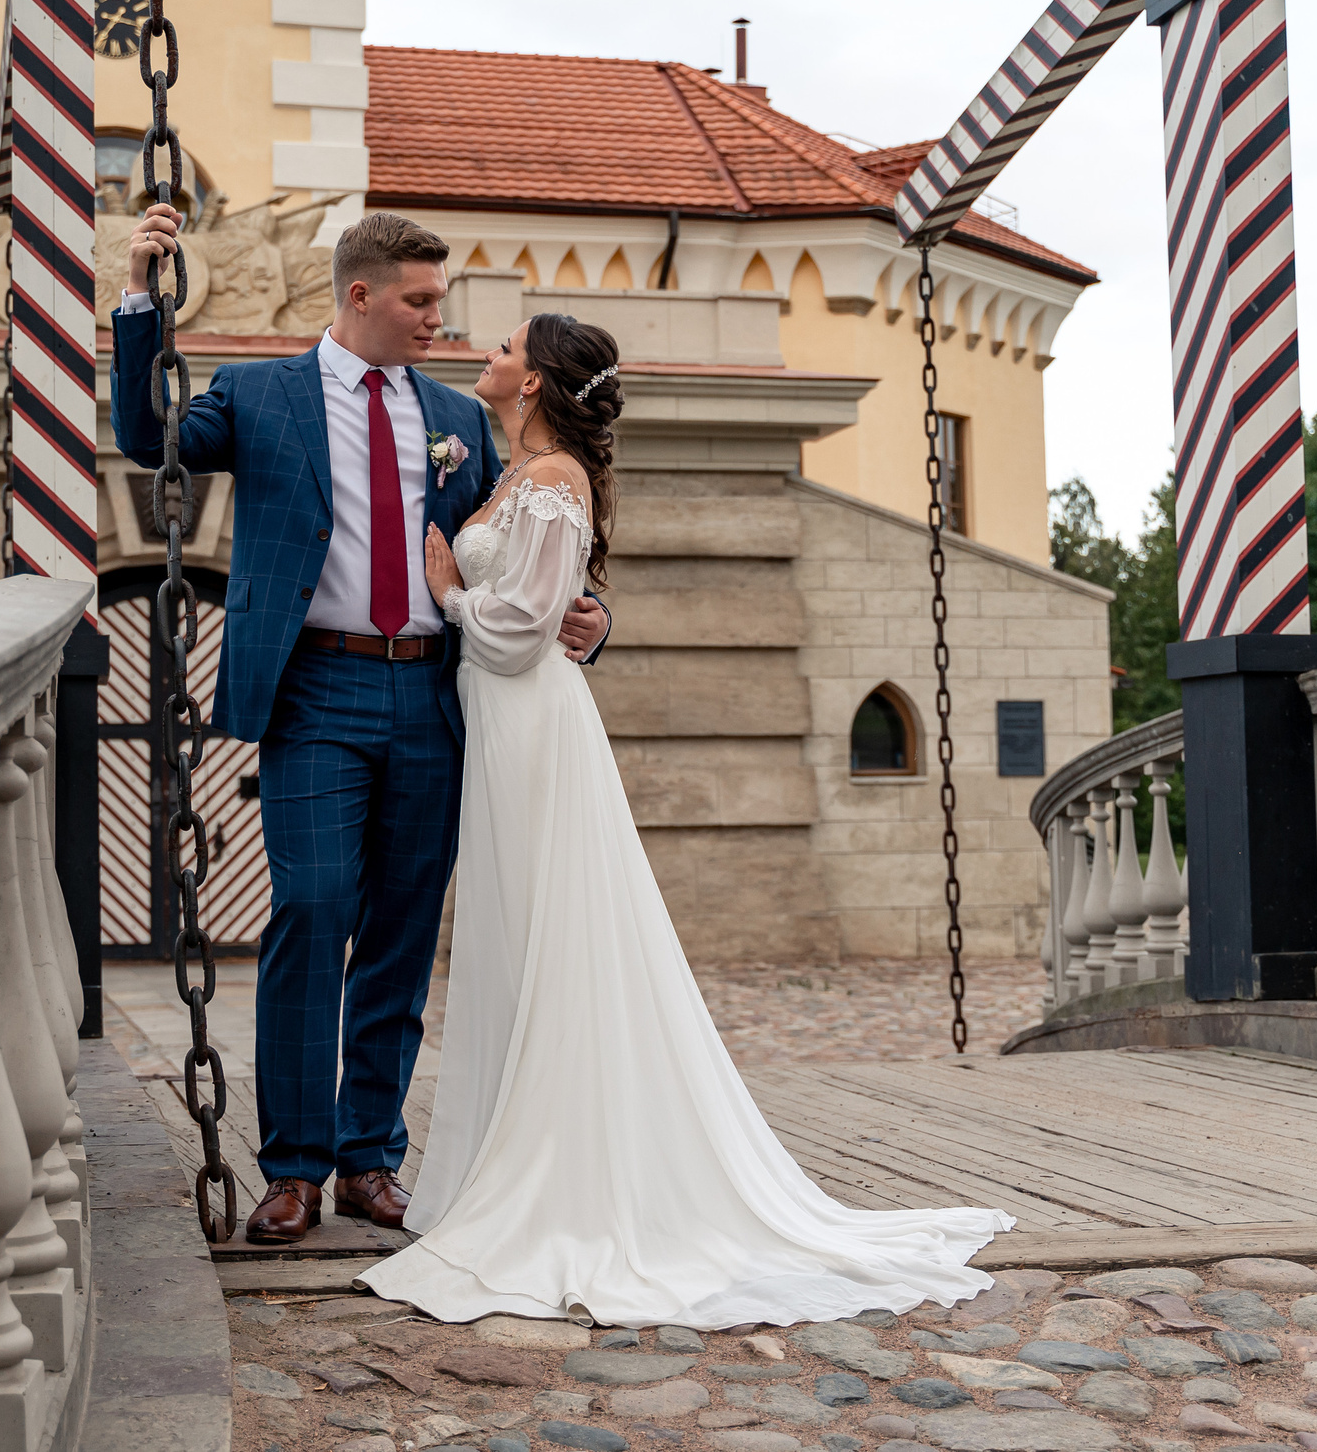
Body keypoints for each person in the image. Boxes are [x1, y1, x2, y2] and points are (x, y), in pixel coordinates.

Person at [355, 311, 1013, 1328]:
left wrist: (446, 593)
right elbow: (550, 599)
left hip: (529, 727)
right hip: (496, 732)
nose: (483, 356)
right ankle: (508, 1162)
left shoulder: (552, 481)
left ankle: (565, 1182)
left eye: (502, 348)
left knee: (550, 941)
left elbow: (524, 632)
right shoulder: (504, 468)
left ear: (531, 383)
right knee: (513, 944)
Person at [110, 205, 611, 1243]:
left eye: (441, 300)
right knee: (313, 907)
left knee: (399, 930)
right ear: (361, 296)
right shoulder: (259, 393)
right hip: (314, 692)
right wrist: (140, 298)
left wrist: (591, 619)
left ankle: (370, 1160)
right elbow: (148, 438)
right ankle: (292, 1166)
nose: (440, 318)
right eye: (421, 301)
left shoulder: (459, 417)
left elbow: (524, 547)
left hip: (434, 691)